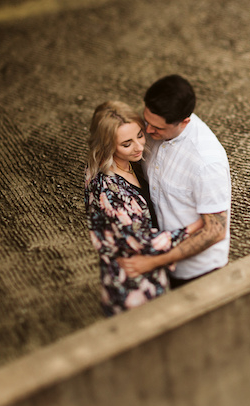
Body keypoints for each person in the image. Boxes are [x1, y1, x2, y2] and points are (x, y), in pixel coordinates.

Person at [84, 101, 197, 315]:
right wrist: (195, 226)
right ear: (107, 145)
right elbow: (144, 242)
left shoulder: (119, 162)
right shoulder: (110, 191)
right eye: (126, 143)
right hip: (133, 283)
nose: (138, 146)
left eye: (139, 135)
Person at [120, 75, 232, 288]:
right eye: (147, 121)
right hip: (157, 251)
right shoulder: (154, 124)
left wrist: (154, 262)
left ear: (184, 122)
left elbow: (215, 230)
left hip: (196, 271)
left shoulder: (206, 163)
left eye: (157, 129)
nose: (148, 131)